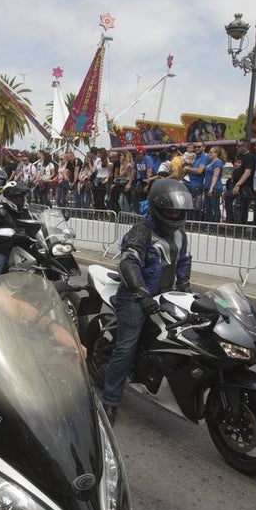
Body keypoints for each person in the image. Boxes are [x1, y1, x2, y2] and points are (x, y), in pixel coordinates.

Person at [100, 179, 193, 422]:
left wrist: (185, 288)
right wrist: (141, 293)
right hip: (135, 296)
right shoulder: (141, 231)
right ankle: (109, 401)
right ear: (156, 208)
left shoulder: (180, 233)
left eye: (178, 211)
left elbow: (183, 261)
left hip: (165, 294)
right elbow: (129, 262)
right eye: (170, 210)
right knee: (126, 347)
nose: (175, 215)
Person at [0, 180, 34, 275]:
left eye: (22, 196)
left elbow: (35, 224)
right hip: (5, 249)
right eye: (18, 197)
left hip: (25, 248)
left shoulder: (25, 211)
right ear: (9, 198)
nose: (21, 199)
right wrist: (10, 233)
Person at [203, 145, 226, 223]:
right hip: (207, 187)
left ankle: (215, 224)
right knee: (208, 207)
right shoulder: (210, 162)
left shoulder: (218, 162)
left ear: (216, 154)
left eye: (211, 152)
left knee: (215, 206)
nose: (209, 153)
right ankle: (209, 224)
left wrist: (211, 188)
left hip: (215, 187)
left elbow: (215, 175)